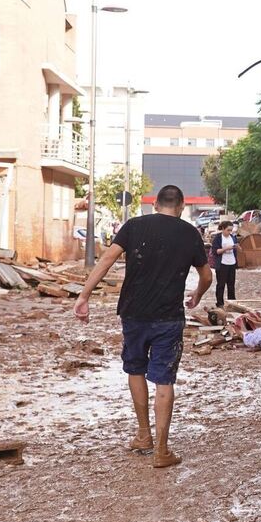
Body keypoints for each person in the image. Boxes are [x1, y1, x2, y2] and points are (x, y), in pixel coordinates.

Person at [73, 184, 212, 469]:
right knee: (164, 380)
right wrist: (197, 295)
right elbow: (207, 275)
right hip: (169, 317)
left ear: (155, 205)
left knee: (135, 369)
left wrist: (84, 296)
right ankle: (162, 450)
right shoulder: (190, 233)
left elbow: (107, 260)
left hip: (134, 314)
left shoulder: (134, 225)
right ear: (182, 207)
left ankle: (143, 435)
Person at [211, 221, 239, 307]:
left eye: (231, 230)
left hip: (232, 263)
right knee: (221, 285)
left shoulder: (233, 237)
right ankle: (220, 303)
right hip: (222, 264)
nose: (229, 232)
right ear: (223, 229)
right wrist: (226, 248)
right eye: (228, 230)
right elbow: (215, 251)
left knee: (231, 285)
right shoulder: (218, 238)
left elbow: (237, 250)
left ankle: (232, 304)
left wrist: (237, 247)